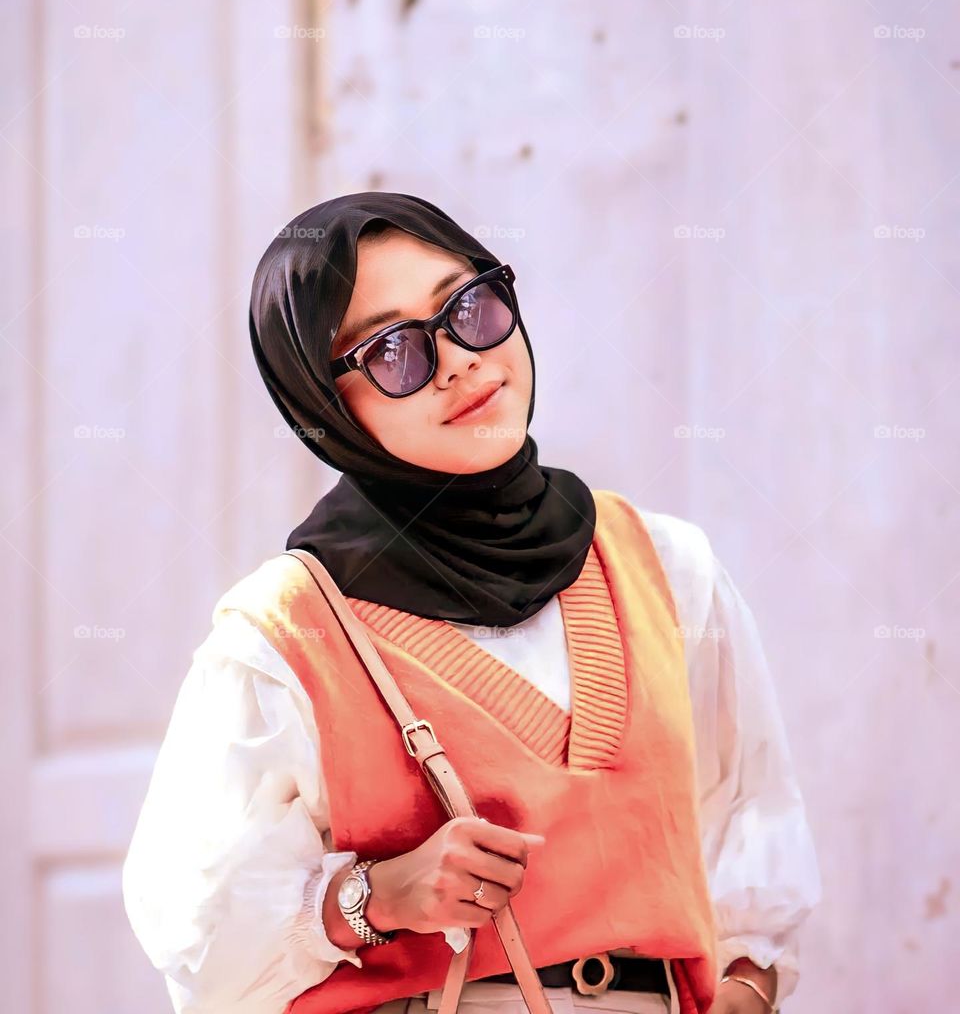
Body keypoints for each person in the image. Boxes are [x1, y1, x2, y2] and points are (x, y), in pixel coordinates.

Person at [122, 192, 821, 1014]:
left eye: (469, 307)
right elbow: (196, 933)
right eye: (392, 351)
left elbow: (750, 821)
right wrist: (373, 898)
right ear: (322, 405)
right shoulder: (286, 630)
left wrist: (747, 987)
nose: (455, 359)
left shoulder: (663, 564)